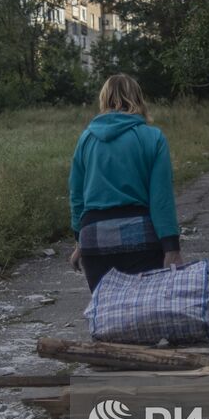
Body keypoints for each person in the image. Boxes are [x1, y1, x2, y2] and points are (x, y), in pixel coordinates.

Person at [68, 74, 183, 291]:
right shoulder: (153, 137)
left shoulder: (86, 139)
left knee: (106, 316)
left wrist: (79, 242)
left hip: (93, 237)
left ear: (104, 99)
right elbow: (161, 198)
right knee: (145, 315)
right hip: (140, 239)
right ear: (138, 99)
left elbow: (77, 196)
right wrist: (171, 248)